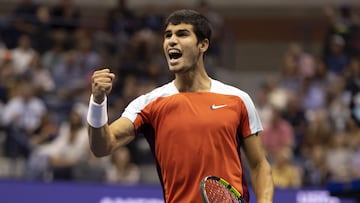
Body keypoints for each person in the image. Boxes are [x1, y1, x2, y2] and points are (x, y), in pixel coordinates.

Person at [87, 9, 273, 203]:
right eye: (168, 35)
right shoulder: (148, 104)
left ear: (203, 44)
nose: (172, 41)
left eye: (182, 34)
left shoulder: (238, 99)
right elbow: (102, 146)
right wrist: (98, 101)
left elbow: (259, 165)